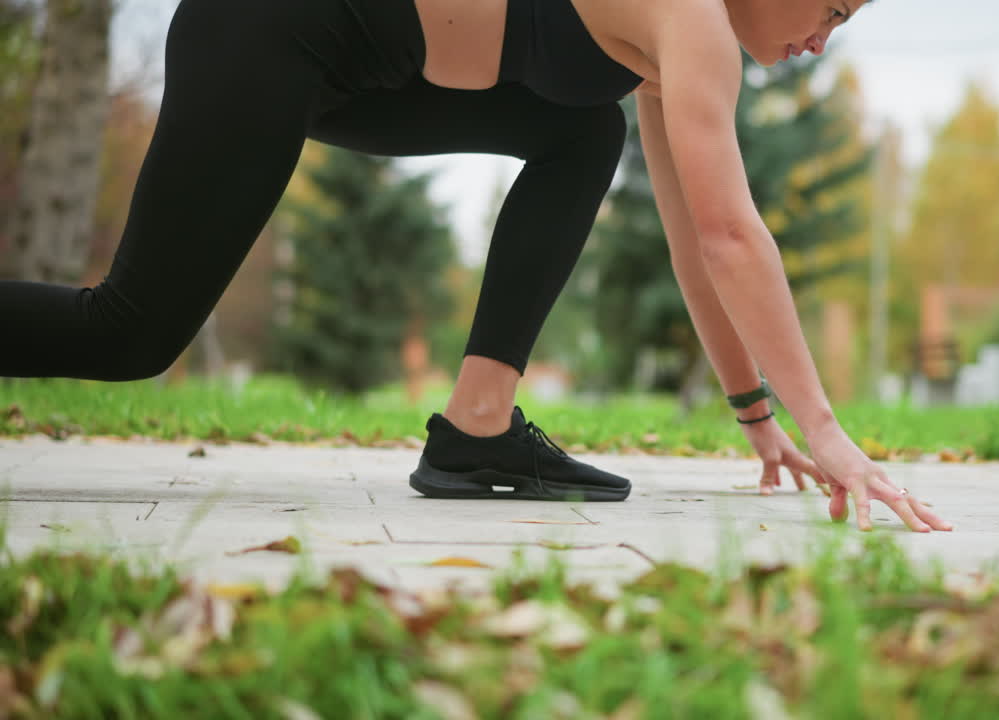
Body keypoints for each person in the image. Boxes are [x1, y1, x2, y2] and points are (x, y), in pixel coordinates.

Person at [0, 0, 951, 532]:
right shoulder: (690, 18)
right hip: (270, 25)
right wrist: (827, 430)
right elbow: (733, 237)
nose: (825, 39)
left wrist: (761, 419)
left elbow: (697, 239)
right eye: (832, 8)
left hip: (350, 67)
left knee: (583, 132)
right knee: (129, 332)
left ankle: (476, 427)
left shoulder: (677, 47)